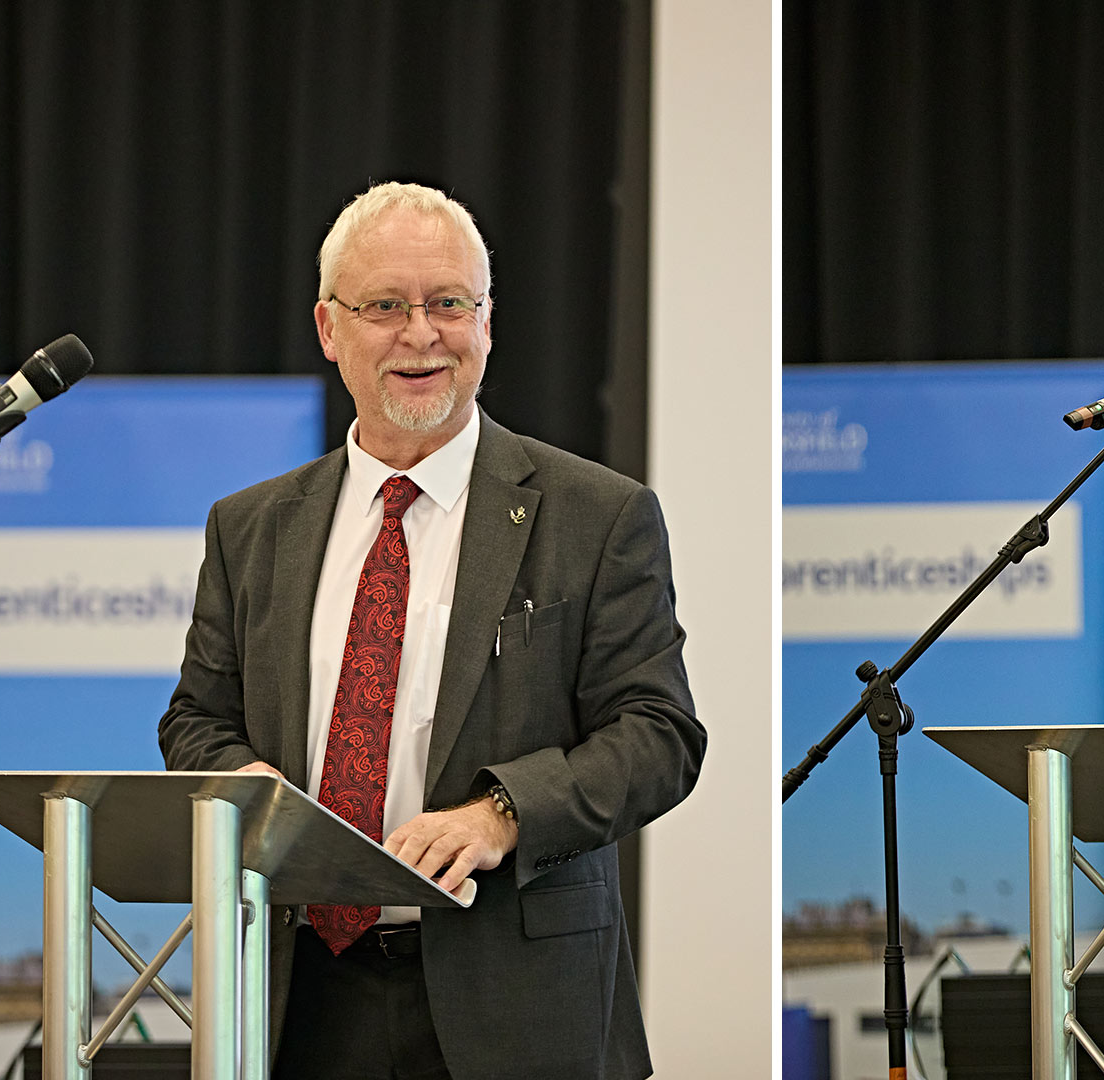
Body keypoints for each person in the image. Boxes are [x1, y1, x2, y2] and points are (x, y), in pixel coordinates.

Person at [159, 181, 705, 1080]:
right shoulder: (250, 528)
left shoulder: (597, 515)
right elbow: (194, 720)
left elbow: (659, 734)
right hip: (300, 1003)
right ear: (330, 330)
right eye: (386, 306)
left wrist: (502, 814)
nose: (422, 334)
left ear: (487, 324)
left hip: (517, 1006)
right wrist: (245, 784)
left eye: (449, 303)